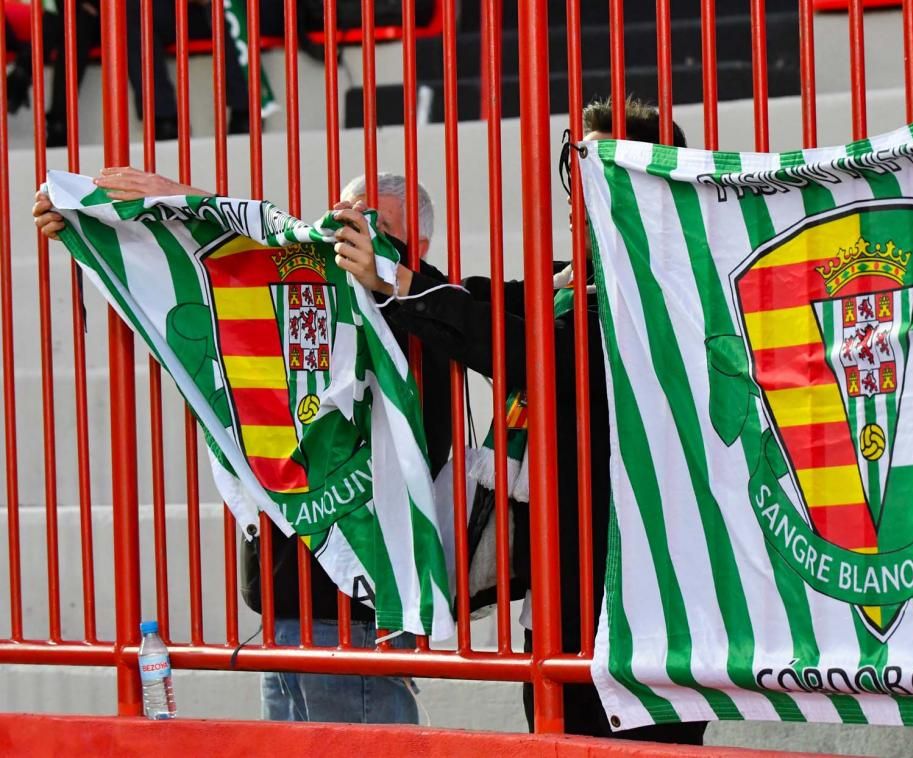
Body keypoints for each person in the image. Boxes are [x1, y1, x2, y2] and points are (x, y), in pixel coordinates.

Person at [331, 97, 707, 744]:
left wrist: (398, 280)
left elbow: (538, 350)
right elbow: (490, 302)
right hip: (564, 607)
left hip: (648, 613)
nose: (571, 188)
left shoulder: (668, 289)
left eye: (587, 166)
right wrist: (388, 260)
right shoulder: (584, 281)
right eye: (573, 164)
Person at [32, 168, 453, 725]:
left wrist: (193, 201)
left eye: (377, 224)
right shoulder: (302, 284)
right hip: (282, 595)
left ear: (418, 246)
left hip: (358, 602)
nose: (354, 232)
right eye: (345, 215)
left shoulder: (426, 302)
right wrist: (95, 227)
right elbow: (225, 268)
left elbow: (425, 440)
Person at [125, 0, 251, 139]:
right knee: (134, 10)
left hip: (216, 10)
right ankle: (163, 118)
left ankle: (245, 109)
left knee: (231, 6)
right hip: (170, 12)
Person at [4, 0, 102, 147]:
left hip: (102, 18)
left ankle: (20, 75)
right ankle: (59, 124)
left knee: (75, 23)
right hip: (71, 15)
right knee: (62, 19)